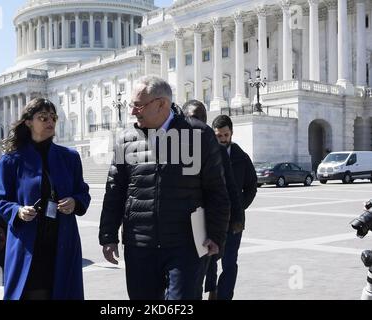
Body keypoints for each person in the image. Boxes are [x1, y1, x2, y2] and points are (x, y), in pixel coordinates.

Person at [99, 76, 231, 300]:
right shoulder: (125, 140)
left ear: (161, 104)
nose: (133, 112)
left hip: (186, 245)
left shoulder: (198, 135)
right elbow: (115, 191)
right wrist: (108, 234)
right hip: (140, 245)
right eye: (132, 105)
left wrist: (216, 235)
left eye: (138, 106)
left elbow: (216, 190)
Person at [0, 98, 91, 300]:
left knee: (63, 293)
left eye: (53, 118)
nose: (50, 122)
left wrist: (75, 201)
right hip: (27, 245)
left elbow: (83, 193)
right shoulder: (11, 159)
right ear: (29, 122)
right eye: (43, 118)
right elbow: (0, 200)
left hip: (62, 241)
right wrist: (17, 211)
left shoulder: (70, 157)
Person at [182, 100, 243, 300]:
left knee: (202, 270)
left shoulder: (217, 150)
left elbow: (230, 190)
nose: (196, 124)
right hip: (179, 225)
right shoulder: (172, 147)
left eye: (200, 119)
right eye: (191, 118)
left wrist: (236, 218)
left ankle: (212, 293)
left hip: (207, 222)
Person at [206, 114, 257, 300]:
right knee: (210, 260)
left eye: (226, 135)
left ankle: (224, 296)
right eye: (219, 136)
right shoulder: (207, 155)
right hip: (211, 219)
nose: (223, 139)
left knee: (229, 262)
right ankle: (211, 290)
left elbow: (251, 186)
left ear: (232, 134)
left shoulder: (241, 157)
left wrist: (238, 208)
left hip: (234, 221)